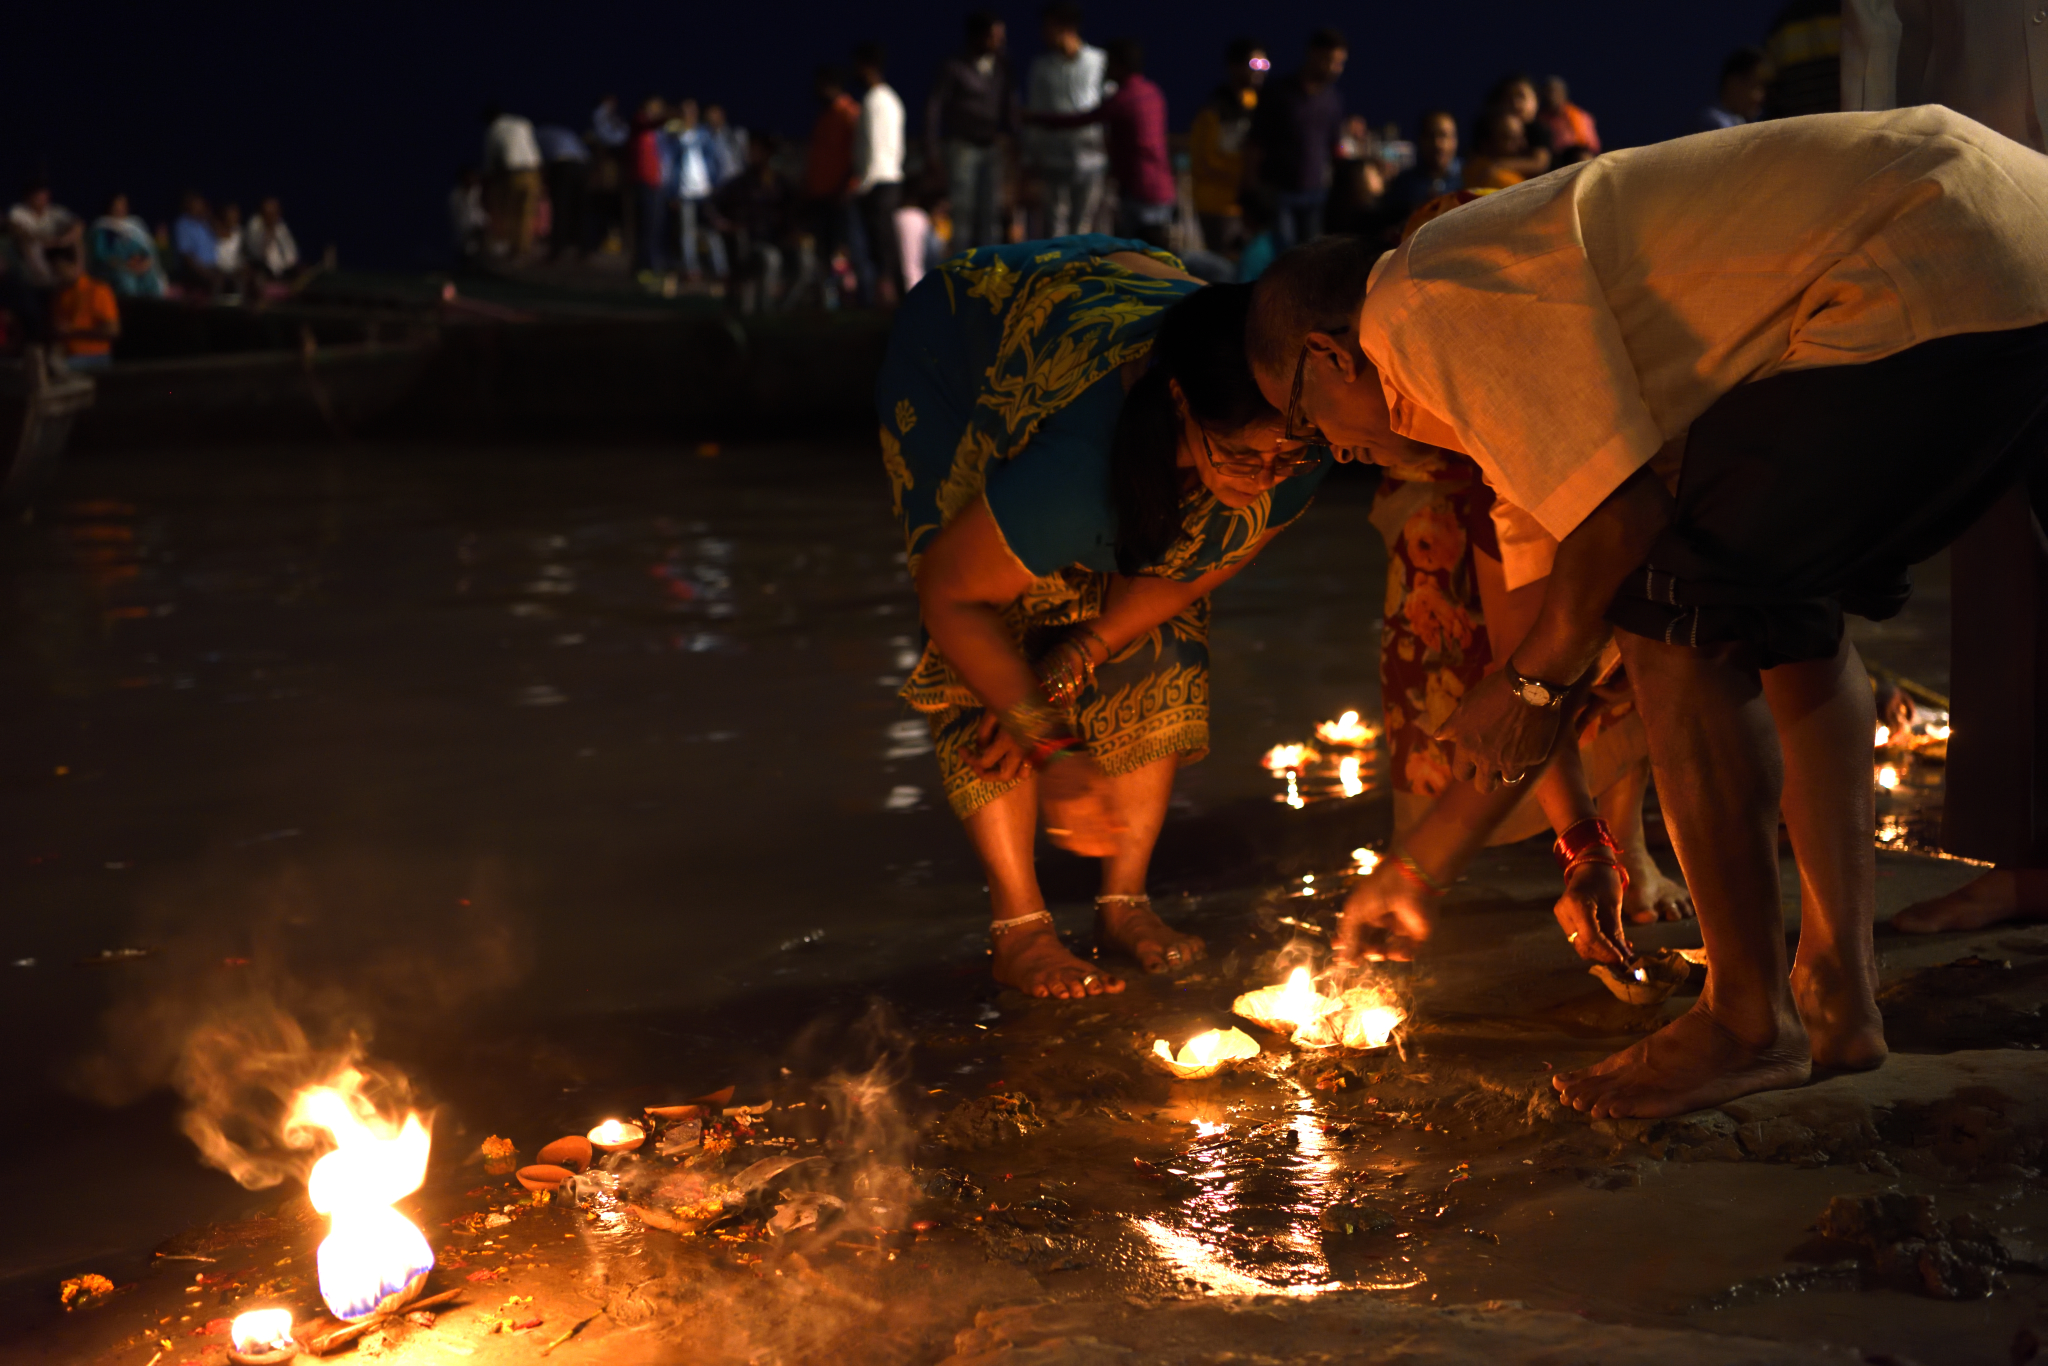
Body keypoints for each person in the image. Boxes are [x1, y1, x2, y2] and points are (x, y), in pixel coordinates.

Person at [1248, 107, 2048, 1120]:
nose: (1329, 451)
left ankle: (1745, 1020)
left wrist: (1535, 684)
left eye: (1302, 424)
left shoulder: (1415, 301)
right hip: (2007, 245)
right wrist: (1446, 866)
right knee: (1777, 611)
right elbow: (1527, 668)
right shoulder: (1494, 413)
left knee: (1678, 605)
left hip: (1925, 253)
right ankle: (1834, 995)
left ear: (1326, 357)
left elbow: (1608, 550)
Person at [880, 235, 1331, 997]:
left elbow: (1192, 577)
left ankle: (1124, 902)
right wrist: (1048, 741)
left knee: (1159, 615)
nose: (1264, 483)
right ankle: (1019, 925)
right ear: (1183, 404)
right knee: (994, 658)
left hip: (1117, 292)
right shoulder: (1074, 471)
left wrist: (1080, 652)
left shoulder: (1304, 430)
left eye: (1282, 462)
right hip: (967, 353)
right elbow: (951, 598)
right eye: (1242, 460)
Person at [1843, 0, 2048, 934]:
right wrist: (1868, 204)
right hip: (1972, 196)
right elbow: (1875, 24)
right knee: (2001, 534)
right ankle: (2024, 861)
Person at [1025, 39, 1174, 247]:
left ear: (1120, 65)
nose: (1105, 70)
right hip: (1163, 188)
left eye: (1109, 64)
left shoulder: (1124, 99)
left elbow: (1081, 120)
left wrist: (1037, 118)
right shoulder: (1153, 92)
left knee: (1138, 255)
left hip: (1139, 190)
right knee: (1159, 254)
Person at [1246, 27, 1347, 249]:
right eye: (1331, 60)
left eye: (1340, 63)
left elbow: (1335, 144)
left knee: (1310, 256)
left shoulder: (1332, 99)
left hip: (1315, 195)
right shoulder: (1279, 93)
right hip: (1279, 193)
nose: (1335, 69)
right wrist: (1252, 189)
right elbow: (1256, 142)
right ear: (1313, 54)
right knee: (1283, 255)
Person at [926, 12, 1015, 253]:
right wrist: (932, 151)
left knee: (990, 212)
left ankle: (990, 273)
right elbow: (934, 107)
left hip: (991, 146)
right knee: (962, 212)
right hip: (962, 145)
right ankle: (961, 271)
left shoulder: (1001, 67)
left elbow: (1009, 107)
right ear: (979, 36)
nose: (1000, 41)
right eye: (994, 36)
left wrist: (1016, 143)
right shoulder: (955, 66)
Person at [1024, 2, 1108, 239]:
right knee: (1054, 223)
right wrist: (1031, 155)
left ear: (1066, 28)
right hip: (1053, 157)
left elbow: (1109, 105)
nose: (1043, 34)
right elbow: (1035, 111)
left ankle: (1082, 273)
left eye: (1048, 27)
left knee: (1084, 223)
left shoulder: (1098, 62)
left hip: (1091, 156)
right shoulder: (1042, 68)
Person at [1188, 37, 1267, 254]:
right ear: (1235, 66)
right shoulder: (1213, 111)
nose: (1260, 71)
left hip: (1249, 207)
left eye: (1264, 65)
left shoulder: (1259, 107)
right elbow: (1204, 160)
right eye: (1254, 65)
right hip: (1218, 205)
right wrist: (1246, 176)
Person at [852, 42, 908, 304]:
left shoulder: (873, 100)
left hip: (877, 181)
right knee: (889, 244)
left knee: (880, 247)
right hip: (892, 177)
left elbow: (872, 146)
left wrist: (863, 184)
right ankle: (899, 298)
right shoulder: (893, 99)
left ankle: (887, 300)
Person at [804, 68, 863, 307]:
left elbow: (857, 155)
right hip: (821, 197)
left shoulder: (848, 113)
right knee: (822, 253)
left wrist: (848, 187)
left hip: (841, 197)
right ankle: (827, 302)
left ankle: (855, 300)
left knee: (847, 251)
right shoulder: (824, 117)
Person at [665, 100, 725, 281]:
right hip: (684, 192)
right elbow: (671, 165)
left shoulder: (704, 134)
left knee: (712, 231)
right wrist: (673, 191)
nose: (688, 115)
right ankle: (692, 269)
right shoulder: (676, 136)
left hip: (705, 191)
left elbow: (714, 160)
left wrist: (714, 183)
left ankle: (721, 269)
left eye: (692, 111)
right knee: (687, 233)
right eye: (685, 111)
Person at [1380, 111, 1463, 232]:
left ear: (1455, 140)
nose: (1438, 144)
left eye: (1444, 135)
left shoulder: (1468, 178)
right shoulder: (1404, 185)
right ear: (1420, 139)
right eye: (1431, 136)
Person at [482, 105, 544, 258]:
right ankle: (524, 248)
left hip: (513, 173)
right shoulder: (522, 122)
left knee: (511, 211)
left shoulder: (494, 129)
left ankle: (513, 248)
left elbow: (490, 160)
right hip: (533, 171)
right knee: (527, 211)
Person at [48, 246, 118, 370]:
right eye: (53, 271)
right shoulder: (60, 293)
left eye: (59, 270)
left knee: (56, 369)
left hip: (94, 356)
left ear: (74, 265)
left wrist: (73, 332)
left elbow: (112, 330)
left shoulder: (98, 290)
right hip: (66, 355)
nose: (56, 275)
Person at [88, 193, 166, 298]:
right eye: (117, 204)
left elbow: (146, 251)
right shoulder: (102, 227)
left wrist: (143, 263)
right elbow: (100, 255)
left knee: (151, 280)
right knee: (128, 281)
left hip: (137, 267)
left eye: (123, 205)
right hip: (115, 269)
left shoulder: (135, 225)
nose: (119, 208)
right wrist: (125, 265)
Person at [8, 182, 82, 289]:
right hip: (28, 250)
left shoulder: (54, 211)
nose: (42, 199)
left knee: (76, 239)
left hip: (55, 246)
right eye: (38, 196)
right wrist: (43, 240)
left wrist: (64, 240)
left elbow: (78, 224)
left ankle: (79, 272)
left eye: (44, 196)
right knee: (29, 244)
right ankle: (43, 279)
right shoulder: (19, 211)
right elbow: (17, 229)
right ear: (29, 197)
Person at [535, 122, 591, 261]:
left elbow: (537, 159)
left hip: (562, 166)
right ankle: (583, 250)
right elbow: (586, 153)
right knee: (580, 208)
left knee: (560, 208)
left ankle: (556, 251)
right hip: (582, 167)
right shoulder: (568, 133)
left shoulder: (539, 134)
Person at [630, 98, 670, 276]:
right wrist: (670, 115)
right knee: (645, 226)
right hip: (643, 182)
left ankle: (653, 263)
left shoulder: (658, 133)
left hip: (658, 183)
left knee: (656, 226)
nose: (656, 110)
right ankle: (643, 265)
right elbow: (652, 122)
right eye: (653, 107)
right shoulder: (639, 123)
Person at [1462, 110, 1535, 190]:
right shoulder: (1506, 181)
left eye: (1522, 136)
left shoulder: (1468, 169)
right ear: (1487, 143)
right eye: (1511, 138)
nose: (1523, 144)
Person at [1700, 47, 1769, 131]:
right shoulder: (1714, 124)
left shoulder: (1740, 121)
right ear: (1732, 83)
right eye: (1755, 86)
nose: (1760, 97)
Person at [1536, 75, 1600, 157]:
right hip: (1553, 159)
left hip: (1576, 156)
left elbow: (1591, 146)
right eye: (1547, 91)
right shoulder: (1540, 118)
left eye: (1553, 91)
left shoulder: (1580, 116)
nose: (1550, 96)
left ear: (1563, 93)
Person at [241, 197, 300, 283]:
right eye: (270, 211)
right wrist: (269, 233)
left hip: (281, 269)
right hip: (260, 266)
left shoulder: (280, 226)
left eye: (276, 210)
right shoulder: (255, 224)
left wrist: (287, 266)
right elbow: (255, 252)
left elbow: (291, 254)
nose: (274, 214)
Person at [171, 193, 221, 291]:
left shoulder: (205, 222)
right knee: (216, 282)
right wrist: (205, 272)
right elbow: (187, 257)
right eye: (196, 205)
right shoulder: (183, 224)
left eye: (201, 205)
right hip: (194, 270)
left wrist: (210, 217)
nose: (199, 208)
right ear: (188, 206)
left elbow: (221, 235)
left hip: (213, 267)